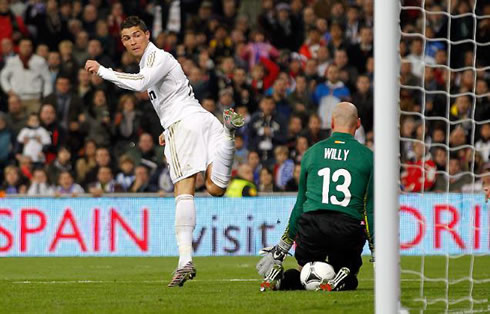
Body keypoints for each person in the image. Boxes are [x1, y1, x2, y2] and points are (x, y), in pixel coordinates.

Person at [84, 16, 244, 287]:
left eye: (136, 35)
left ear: (147, 35)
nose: (132, 41)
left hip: (185, 125)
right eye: (126, 38)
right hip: (203, 120)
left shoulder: (160, 57)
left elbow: (138, 84)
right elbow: (171, 96)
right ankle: (229, 134)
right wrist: (166, 129)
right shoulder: (153, 61)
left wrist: (102, 70)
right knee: (216, 188)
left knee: (184, 190)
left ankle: (185, 262)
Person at [256, 102, 374, 292]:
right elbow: (369, 210)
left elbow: (300, 204)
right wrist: (376, 250)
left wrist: (282, 247)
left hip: (312, 226)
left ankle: (282, 279)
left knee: (304, 273)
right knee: (350, 277)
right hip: (346, 227)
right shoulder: (368, 157)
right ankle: (343, 276)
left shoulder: (311, 153)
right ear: (358, 124)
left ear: (332, 123)